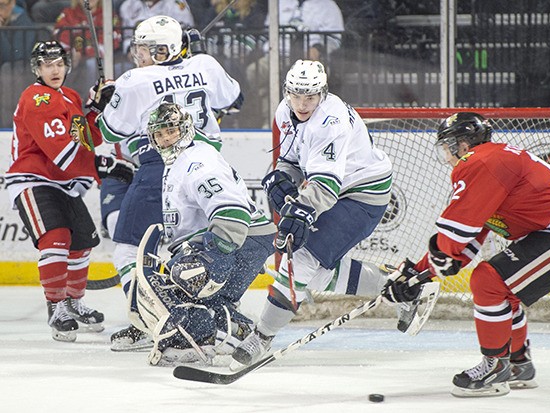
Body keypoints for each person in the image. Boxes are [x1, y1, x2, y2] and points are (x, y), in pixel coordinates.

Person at [380, 112, 550, 397]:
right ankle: (518, 365)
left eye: (447, 147)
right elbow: (467, 239)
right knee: (501, 290)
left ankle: (495, 369)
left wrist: (417, 275)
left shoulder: (479, 162)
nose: (447, 156)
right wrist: (421, 271)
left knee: (488, 282)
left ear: (462, 145)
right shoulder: (493, 161)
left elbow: (455, 237)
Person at [231, 59, 394, 367]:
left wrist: (301, 210)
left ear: (323, 93)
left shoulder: (330, 120)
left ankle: (262, 337)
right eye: (296, 94)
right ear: (287, 92)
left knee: (302, 262)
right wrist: (282, 177)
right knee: (313, 275)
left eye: (310, 96)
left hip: (363, 193)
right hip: (338, 190)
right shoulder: (285, 111)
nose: (302, 103)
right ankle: (398, 285)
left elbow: (326, 186)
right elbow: (291, 162)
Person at [96, 15, 243, 351]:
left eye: (150, 48)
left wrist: (105, 102)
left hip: (160, 167)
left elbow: (109, 132)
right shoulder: (205, 64)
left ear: (168, 48)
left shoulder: (134, 80)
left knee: (129, 250)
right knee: (196, 249)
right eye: (141, 48)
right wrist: (195, 65)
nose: (141, 54)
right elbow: (235, 100)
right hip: (209, 165)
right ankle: (217, 322)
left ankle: (152, 321)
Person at [4, 40, 133, 342]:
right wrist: (105, 167)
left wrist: (97, 109)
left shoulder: (70, 96)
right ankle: (56, 306)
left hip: (64, 181)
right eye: (47, 65)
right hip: (34, 179)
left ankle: (74, 303)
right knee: (56, 237)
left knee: (82, 242)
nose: (54, 70)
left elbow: (85, 140)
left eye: (59, 64)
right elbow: (62, 153)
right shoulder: (35, 99)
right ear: (38, 69)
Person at [128, 102, 275, 366]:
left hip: (240, 239)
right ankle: (232, 330)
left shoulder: (197, 161)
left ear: (184, 130)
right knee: (192, 291)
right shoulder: (178, 162)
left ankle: (192, 340)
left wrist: (214, 258)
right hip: (240, 239)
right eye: (159, 135)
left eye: (170, 131)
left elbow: (232, 215)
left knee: (181, 279)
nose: (165, 139)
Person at [245, 0, 344, 128]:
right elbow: (267, 33)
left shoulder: (327, 5)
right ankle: (271, 120)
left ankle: (313, 123)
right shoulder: (281, 3)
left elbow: (335, 39)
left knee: (310, 83)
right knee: (254, 71)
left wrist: (319, 48)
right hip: (279, 56)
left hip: (312, 61)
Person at [53, 0, 123, 97]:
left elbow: (112, 40)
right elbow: (60, 36)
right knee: (61, 65)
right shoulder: (68, 14)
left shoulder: (108, 14)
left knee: (91, 63)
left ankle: (92, 99)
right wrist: (71, 54)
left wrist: (83, 52)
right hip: (74, 61)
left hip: (99, 60)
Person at [119, 0, 195, 55]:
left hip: (168, 54)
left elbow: (186, 35)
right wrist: (131, 51)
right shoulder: (128, 5)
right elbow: (127, 37)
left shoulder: (175, 4)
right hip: (138, 55)